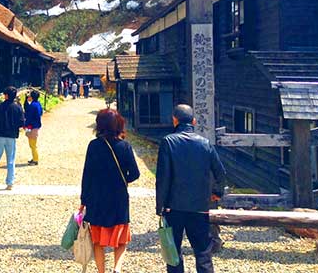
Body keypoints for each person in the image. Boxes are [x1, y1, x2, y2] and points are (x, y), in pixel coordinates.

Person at [156, 104, 226, 273]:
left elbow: (162, 178)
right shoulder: (205, 143)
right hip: (200, 206)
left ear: (174, 120)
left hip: (174, 206)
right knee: (203, 251)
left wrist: (160, 207)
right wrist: (217, 192)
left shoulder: (168, 142)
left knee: (174, 251)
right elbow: (221, 172)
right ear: (194, 121)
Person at [80, 109, 140, 273]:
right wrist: (121, 181)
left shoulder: (93, 146)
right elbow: (135, 173)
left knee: (98, 240)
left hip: (97, 198)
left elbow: (87, 175)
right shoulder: (125, 146)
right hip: (118, 197)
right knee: (120, 239)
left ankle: (101, 271)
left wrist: (83, 200)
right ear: (118, 125)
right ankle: (117, 268)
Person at [0, 86, 25, 192]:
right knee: (11, 161)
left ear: (6, 95)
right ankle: (10, 183)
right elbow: (22, 123)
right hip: (11, 137)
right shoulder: (18, 108)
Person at [24, 90, 43, 165]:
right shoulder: (37, 104)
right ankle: (34, 158)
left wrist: (26, 124)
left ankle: (35, 160)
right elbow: (27, 108)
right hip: (34, 126)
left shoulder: (33, 105)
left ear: (31, 97)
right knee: (32, 144)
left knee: (33, 144)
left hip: (32, 126)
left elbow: (28, 114)